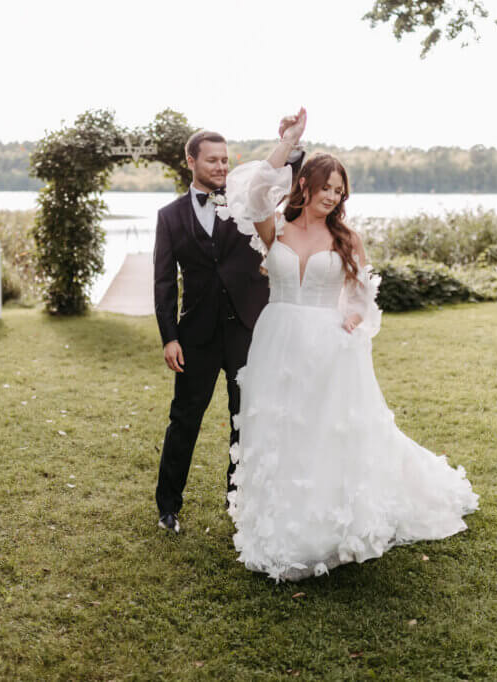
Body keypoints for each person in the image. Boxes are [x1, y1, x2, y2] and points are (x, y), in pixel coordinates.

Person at [220, 109, 479, 581]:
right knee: (278, 428)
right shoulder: (274, 227)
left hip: (326, 345)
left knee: (322, 431)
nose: (334, 197)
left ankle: (324, 526)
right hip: (276, 340)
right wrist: (288, 141)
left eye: (340, 191)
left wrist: (353, 318)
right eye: (327, 187)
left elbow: (361, 294)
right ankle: (278, 520)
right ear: (305, 186)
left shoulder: (346, 238)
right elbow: (254, 193)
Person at [153, 124, 305, 534]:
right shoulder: (169, 217)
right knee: (184, 420)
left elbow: (285, 176)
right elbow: (164, 281)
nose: (221, 167)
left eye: (224, 160)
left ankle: (238, 500)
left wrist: (291, 144)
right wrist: (169, 336)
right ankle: (168, 507)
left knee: (246, 419)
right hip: (195, 337)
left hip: (249, 331)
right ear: (191, 162)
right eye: (212, 160)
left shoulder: (246, 199)